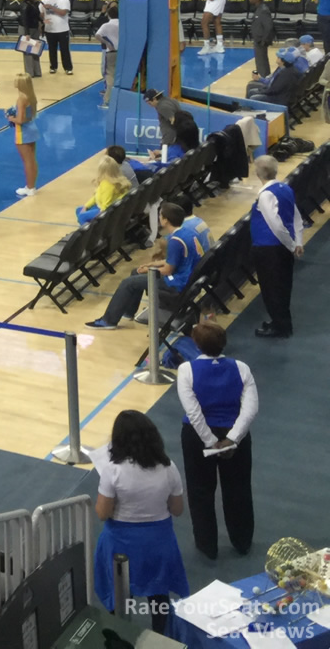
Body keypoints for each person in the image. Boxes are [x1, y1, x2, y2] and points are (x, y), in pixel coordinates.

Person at [91, 410, 188, 631]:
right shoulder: (168, 467)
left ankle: (120, 638)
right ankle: (161, 640)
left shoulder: (112, 470)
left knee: (120, 599)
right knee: (159, 599)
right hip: (159, 544)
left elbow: (102, 513)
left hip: (121, 546)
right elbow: (178, 509)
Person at [176, 321, 257, 560]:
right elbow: (250, 408)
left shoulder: (186, 370)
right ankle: (242, 541)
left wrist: (210, 441)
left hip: (197, 438)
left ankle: (207, 545)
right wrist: (232, 439)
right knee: (239, 489)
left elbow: (193, 411)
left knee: (200, 490)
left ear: (196, 344)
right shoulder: (241, 367)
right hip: (236, 437)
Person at [87, 201, 208, 329]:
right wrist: (152, 264)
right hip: (186, 276)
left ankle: (108, 321)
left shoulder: (175, 241)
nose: (159, 217)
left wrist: (149, 269)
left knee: (127, 283)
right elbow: (177, 260)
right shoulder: (188, 233)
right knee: (136, 271)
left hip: (177, 283)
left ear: (166, 220)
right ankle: (128, 312)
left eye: (160, 215)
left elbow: (167, 270)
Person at [248, 155, 302, 339]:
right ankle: (282, 322)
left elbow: (276, 225)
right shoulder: (285, 188)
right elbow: (296, 217)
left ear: (257, 173)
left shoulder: (265, 195)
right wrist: (298, 242)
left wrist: (292, 245)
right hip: (281, 249)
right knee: (283, 286)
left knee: (272, 289)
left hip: (269, 249)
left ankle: (280, 327)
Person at [76, 154, 131, 224]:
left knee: (81, 217)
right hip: (107, 208)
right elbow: (96, 196)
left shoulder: (107, 184)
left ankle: (90, 233)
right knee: (79, 210)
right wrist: (86, 206)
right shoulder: (118, 180)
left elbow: (106, 208)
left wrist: (96, 218)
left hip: (107, 212)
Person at [9, 74, 40, 197]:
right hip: (32, 128)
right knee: (32, 159)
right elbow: (29, 116)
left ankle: (30, 187)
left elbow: (20, 120)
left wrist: (11, 118)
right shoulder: (31, 96)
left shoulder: (21, 99)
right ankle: (32, 186)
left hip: (23, 132)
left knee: (27, 161)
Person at [40, 0, 73, 75]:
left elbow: (63, 12)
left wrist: (51, 7)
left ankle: (68, 68)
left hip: (62, 29)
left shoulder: (64, 0)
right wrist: (43, 20)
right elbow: (41, 13)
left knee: (64, 49)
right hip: (49, 29)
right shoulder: (45, 0)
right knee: (51, 49)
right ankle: (53, 67)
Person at [249, 0, 275, 77]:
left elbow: (268, 26)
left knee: (261, 61)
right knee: (260, 60)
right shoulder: (259, 8)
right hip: (258, 39)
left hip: (261, 40)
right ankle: (264, 77)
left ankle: (263, 78)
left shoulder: (263, 10)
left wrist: (264, 40)